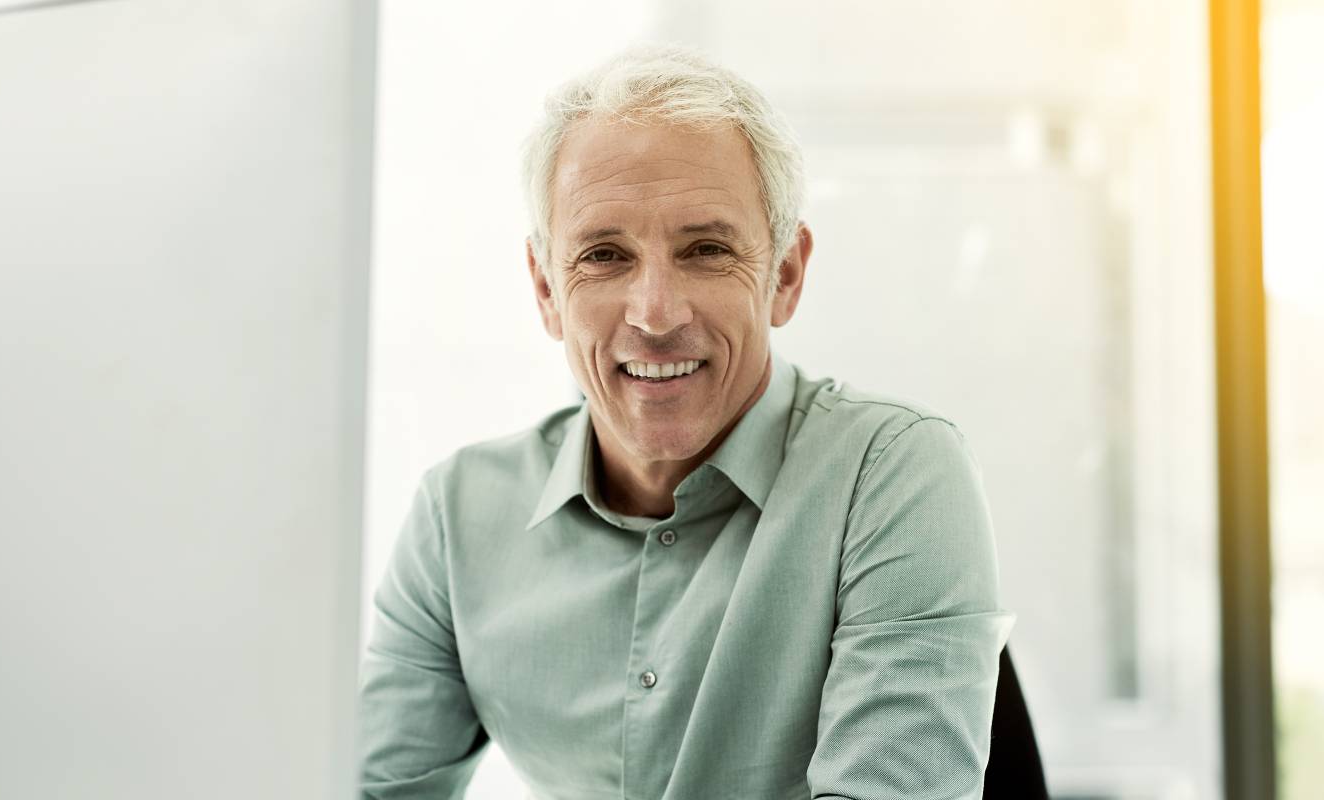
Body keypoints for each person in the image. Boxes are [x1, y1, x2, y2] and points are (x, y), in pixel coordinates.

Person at [359, 43, 1014, 800]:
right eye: (604, 256)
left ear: (785, 275)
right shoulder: (458, 516)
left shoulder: (892, 472)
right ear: (545, 290)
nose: (655, 314)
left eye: (706, 250)